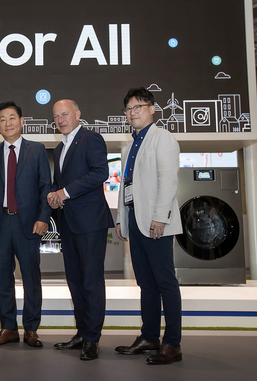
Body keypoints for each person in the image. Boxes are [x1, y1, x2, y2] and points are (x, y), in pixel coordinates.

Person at [115, 87, 183, 365]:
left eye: (138, 107)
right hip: (135, 221)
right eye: (129, 109)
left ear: (152, 109)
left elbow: (168, 181)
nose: (133, 113)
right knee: (145, 283)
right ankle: (149, 336)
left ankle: (173, 344)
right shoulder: (130, 145)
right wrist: (122, 217)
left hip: (157, 223)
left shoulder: (162, 138)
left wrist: (160, 217)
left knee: (166, 283)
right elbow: (126, 187)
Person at [0, 101, 51, 348]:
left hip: (28, 223)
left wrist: (43, 217)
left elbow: (45, 188)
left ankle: (31, 328)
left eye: (11, 118)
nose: (7, 123)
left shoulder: (37, 150)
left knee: (31, 277)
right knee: (4, 279)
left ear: (22, 121)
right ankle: (8, 327)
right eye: (2, 119)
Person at [48, 99, 114, 361]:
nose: (60, 120)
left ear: (77, 114)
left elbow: (100, 173)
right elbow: (59, 183)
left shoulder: (91, 139)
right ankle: (82, 332)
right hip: (68, 223)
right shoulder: (58, 148)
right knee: (75, 281)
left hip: (90, 223)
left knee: (91, 281)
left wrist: (64, 192)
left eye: (65, 114)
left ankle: (93, 339)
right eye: (56, 117)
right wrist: (53, 194)